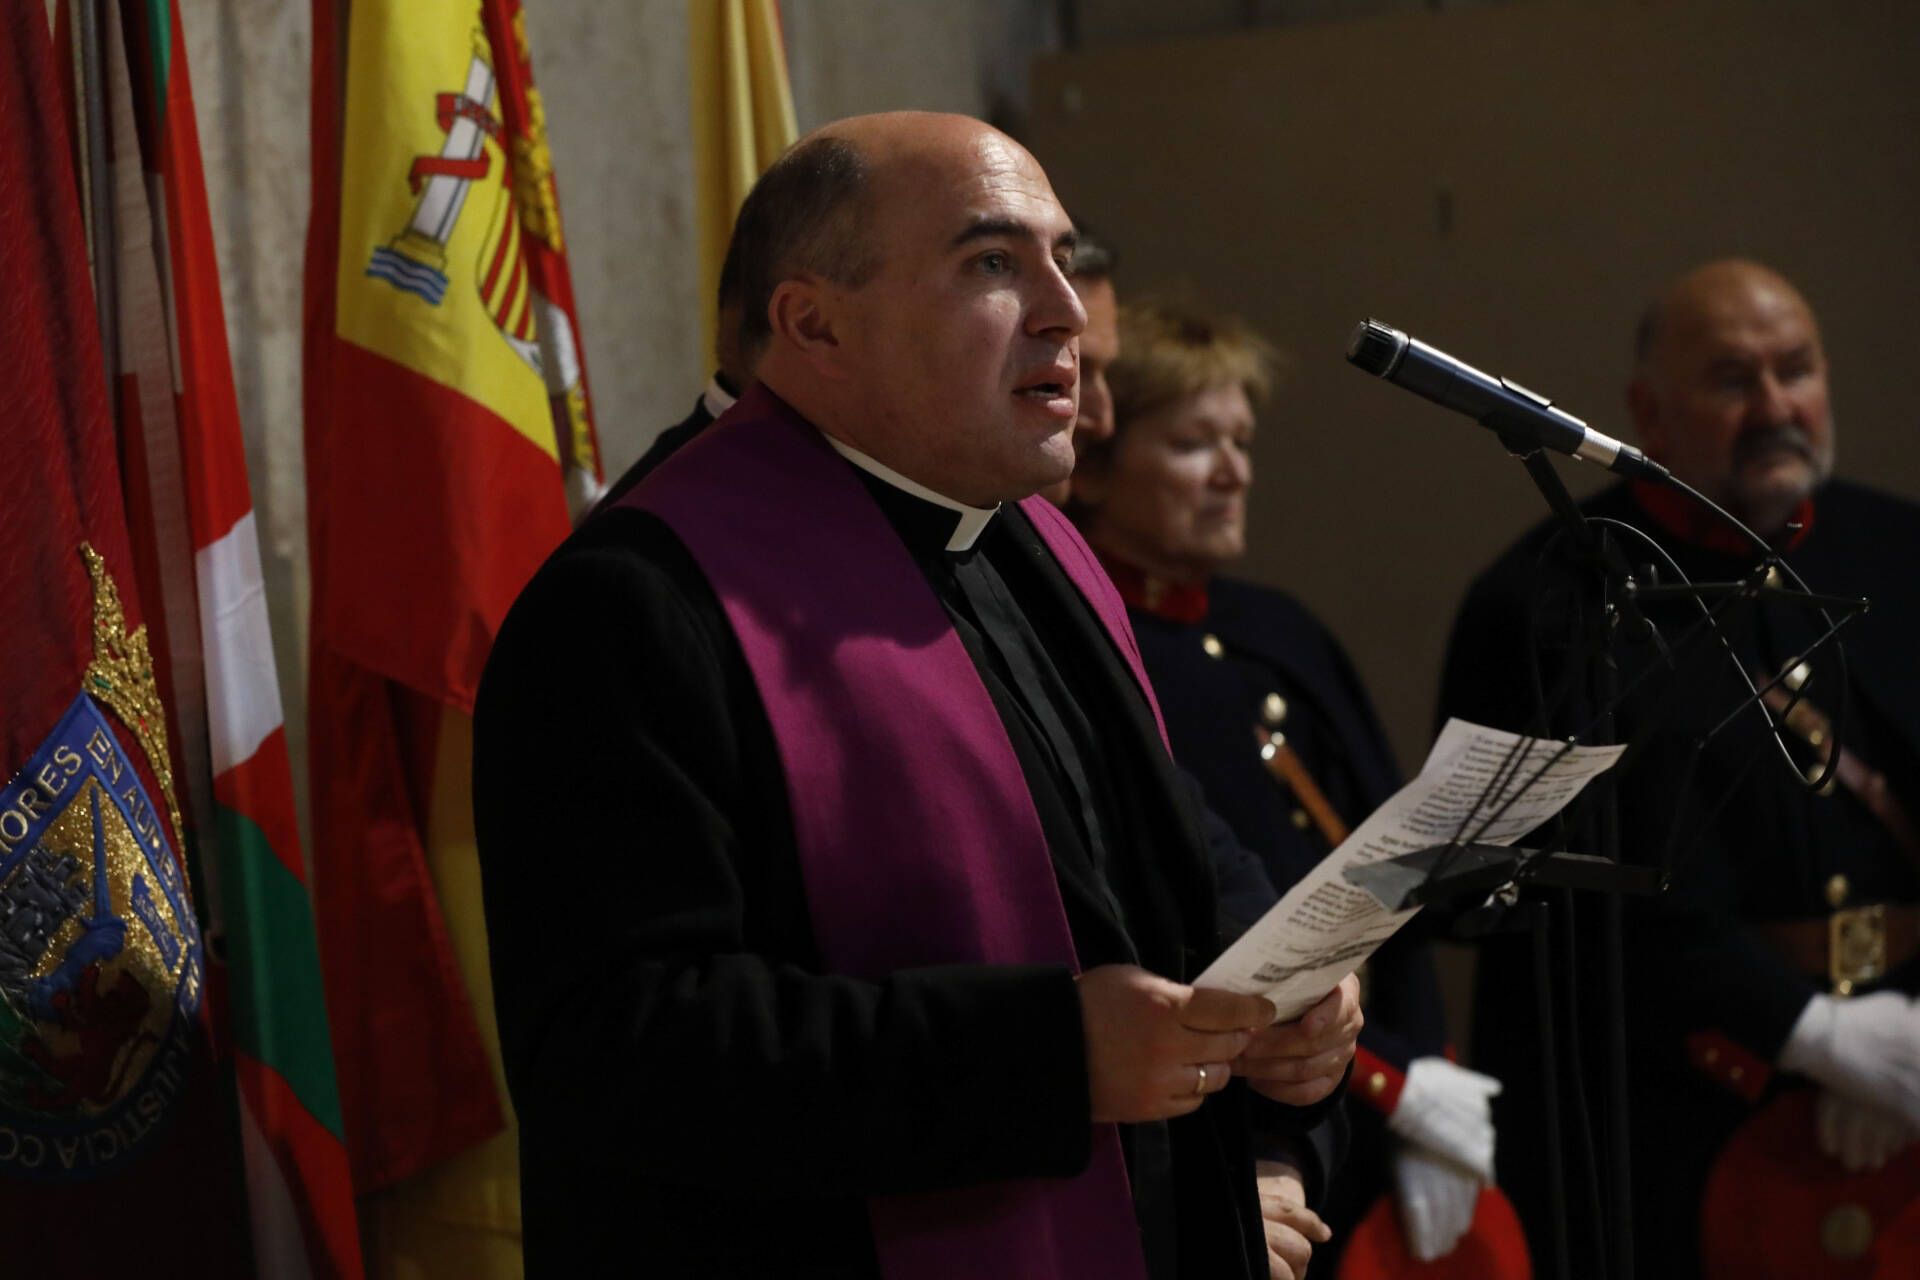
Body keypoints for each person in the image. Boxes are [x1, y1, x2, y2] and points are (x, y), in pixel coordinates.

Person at [474, 112, 1362, 1279]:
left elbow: (1157, 844)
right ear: (813, 322)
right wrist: (1048, 1058)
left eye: (1059, 255)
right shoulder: (636, 605)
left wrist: (1284, 1016)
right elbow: (619, 1048)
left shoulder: (1027, 544)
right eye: (993, 263)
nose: (1065, 313)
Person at [1439, 259, 1920, 1277]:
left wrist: (1902, 1041)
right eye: (1733, 379)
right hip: (1669, 1131)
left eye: (1797, 369)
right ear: (1647, 412)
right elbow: (1555, 897)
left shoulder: (1898, 550)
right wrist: (1811, 1032)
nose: (1777, 405)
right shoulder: (1552, 599)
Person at [1070, 297, 1506, 1270]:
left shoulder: (1281, 630)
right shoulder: (1102, 653)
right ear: (1096, 463)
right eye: (1192, 443)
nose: (1235, 472)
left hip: (1357, 1095)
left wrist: (1420, 1069)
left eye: (1241, 440)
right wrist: (1391, 1087)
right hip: (1248, 1124)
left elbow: (1396, 886)